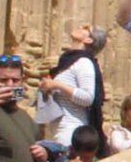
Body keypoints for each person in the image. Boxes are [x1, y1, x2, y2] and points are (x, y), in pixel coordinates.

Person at [37, 22, 106, 154]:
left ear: (89, 39)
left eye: (86, 28)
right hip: (58, 129)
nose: (80, 26)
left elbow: (87, 98)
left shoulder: (84, 62)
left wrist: (57, 85)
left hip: (71, 130)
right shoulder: (69, 62)